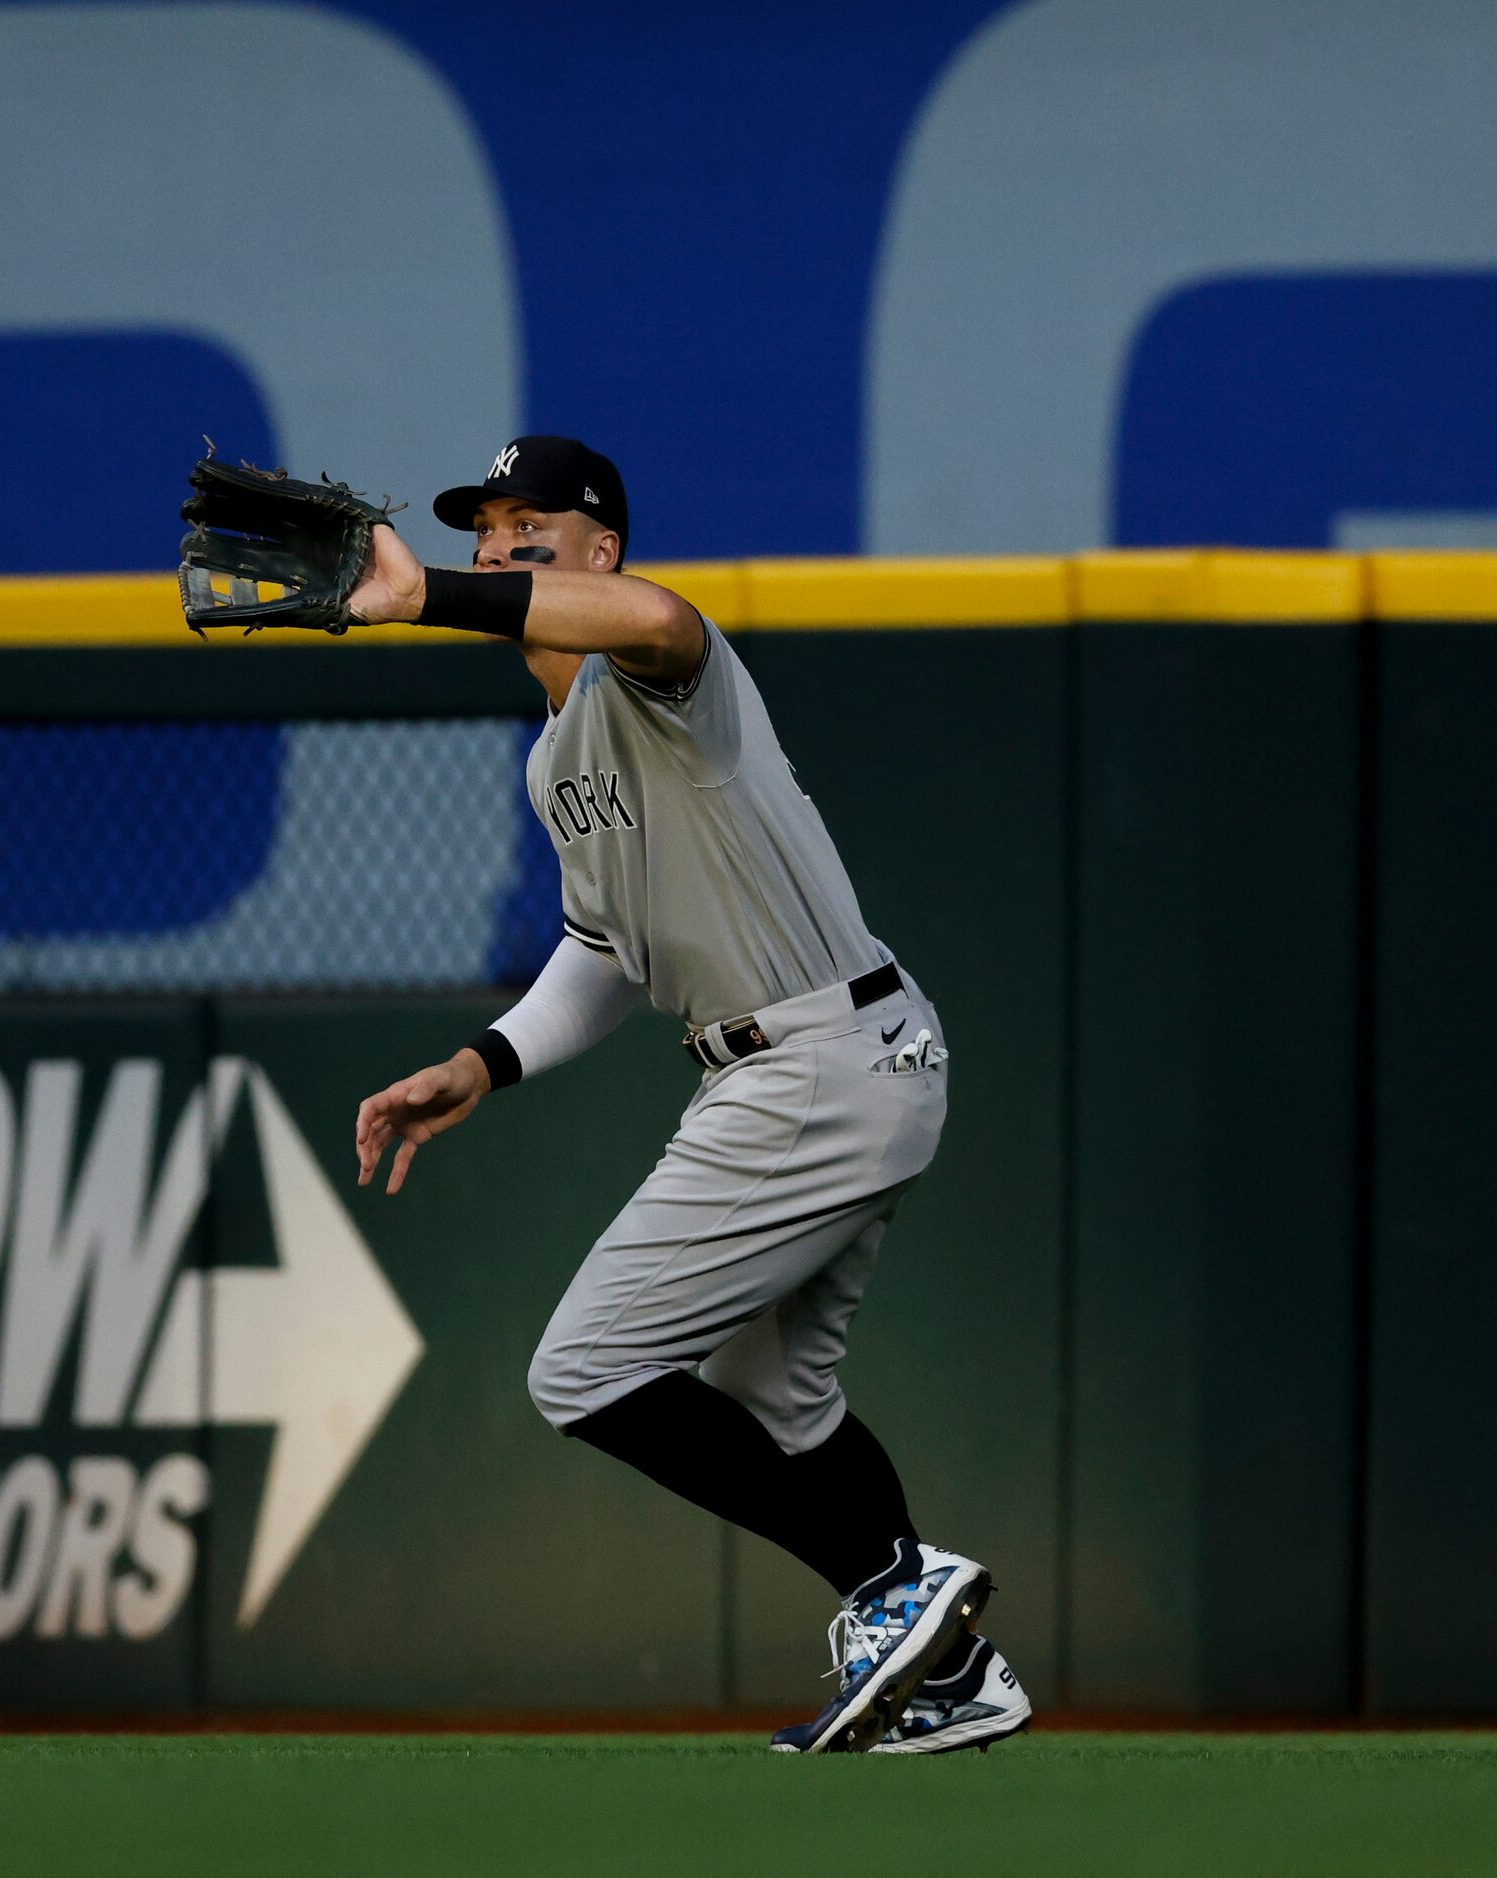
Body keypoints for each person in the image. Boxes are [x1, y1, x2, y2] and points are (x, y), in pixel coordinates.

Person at [345, 437, 1024, 1754]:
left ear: (599, 544)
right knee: (777, 1392)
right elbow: (602, 951)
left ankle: (900, 1585)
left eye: (526, 521)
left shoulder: (655, 677)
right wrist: (480, 1062)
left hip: (813, 1059)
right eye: (481, 528)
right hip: (828, 1061)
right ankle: (951, 1673)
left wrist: (425, 591)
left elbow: (662, 617)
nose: (496, 546)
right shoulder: (555, 762)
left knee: (586, 1366)